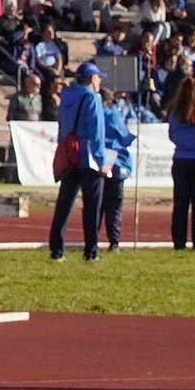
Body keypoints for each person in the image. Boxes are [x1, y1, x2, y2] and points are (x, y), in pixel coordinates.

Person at [49, 62, 108, 263]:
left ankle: (56, 249)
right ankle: (91, 251)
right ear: (92, 78)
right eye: (98, 77)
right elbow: (96, 132)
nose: (100, 80)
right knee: (92, 206)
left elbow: (62, 127)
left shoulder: (65, 96)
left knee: (64, 203)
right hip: (88, 158)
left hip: (69, 155)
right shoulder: (92, 98)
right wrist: (101, 160)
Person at [168, 75, 195, 251]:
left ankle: (179, 242)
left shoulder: (175, 115)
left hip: (180, 160)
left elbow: (172, 135)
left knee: (180, 203)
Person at [99, 90, 135, 253]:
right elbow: (123, 137)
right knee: (114, 205)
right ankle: (113, 241)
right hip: (116, 162)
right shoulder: (112, 115)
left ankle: (92, 240)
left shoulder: (94, 115)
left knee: (97, 203)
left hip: (97, 162)